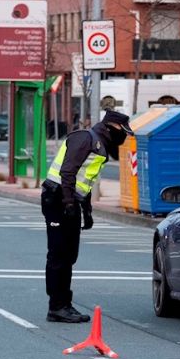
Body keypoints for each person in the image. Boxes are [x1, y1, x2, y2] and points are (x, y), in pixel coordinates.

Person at [41, 109, 132, 323]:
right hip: (57, 200)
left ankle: (65, 303)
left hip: (68, 202)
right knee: (58, 255)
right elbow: (67, 172)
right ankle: (56, 307)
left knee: (69, 255)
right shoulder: (85, 138)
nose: (124, 137)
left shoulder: (98, 144)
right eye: (123, 132)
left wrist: (86, 210)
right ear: (113, 127)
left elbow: (85, 181)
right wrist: (68, 203)